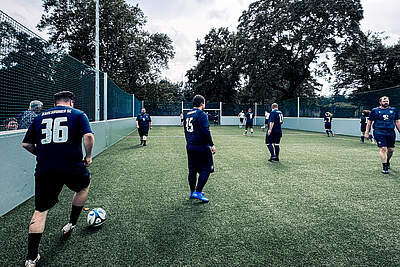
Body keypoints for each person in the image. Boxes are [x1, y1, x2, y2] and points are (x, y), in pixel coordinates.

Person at [22, 91, 94, 267]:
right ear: (70, 102)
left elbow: (26, 144)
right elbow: (89, 136)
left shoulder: (39, 118)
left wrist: (42, 153)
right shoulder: (78, 114)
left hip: (46, 169)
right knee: (83, 186)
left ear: (55, 103)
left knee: (40, 211)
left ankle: (31, 258)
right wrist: (89, 156)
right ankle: (71, 223)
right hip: (72, 166)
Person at [184, 95, 216, 203]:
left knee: (192, 169)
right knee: (207, 169)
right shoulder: (201, 114)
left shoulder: (188, 114)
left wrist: (189, 142)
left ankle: (192, 192)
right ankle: (198, 191)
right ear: (202, 103)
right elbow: (206, 131)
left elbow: (185, 131)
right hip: (201, 146)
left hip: (190, 146)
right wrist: (212, 145)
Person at [366, 96, 400, 174]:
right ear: (380, 102)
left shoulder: (393, 110)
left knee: (391, 150)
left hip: (390, 132)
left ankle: (387, 161)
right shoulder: (375, 110)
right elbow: (369, 122)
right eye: (384, 101)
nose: (386, 102)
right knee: (383, 148)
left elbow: (397, 122)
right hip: (379, 131)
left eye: (387, 101)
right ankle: (384, 167)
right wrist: (367, 133)